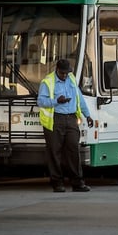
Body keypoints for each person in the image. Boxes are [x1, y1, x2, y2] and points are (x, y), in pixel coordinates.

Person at [37, 59, 93, 192]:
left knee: (73, 150)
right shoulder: (48, 82)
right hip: (56, 120)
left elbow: (80, 98)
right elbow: (41, 101)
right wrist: (57, 101)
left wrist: (87, 115)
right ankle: (57, 183)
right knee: (54, 152)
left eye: (66, 73)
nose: (64, 76)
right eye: (62, 73)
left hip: (72, 119)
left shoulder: (71, 79)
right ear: (57, 70)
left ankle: (78, 183)